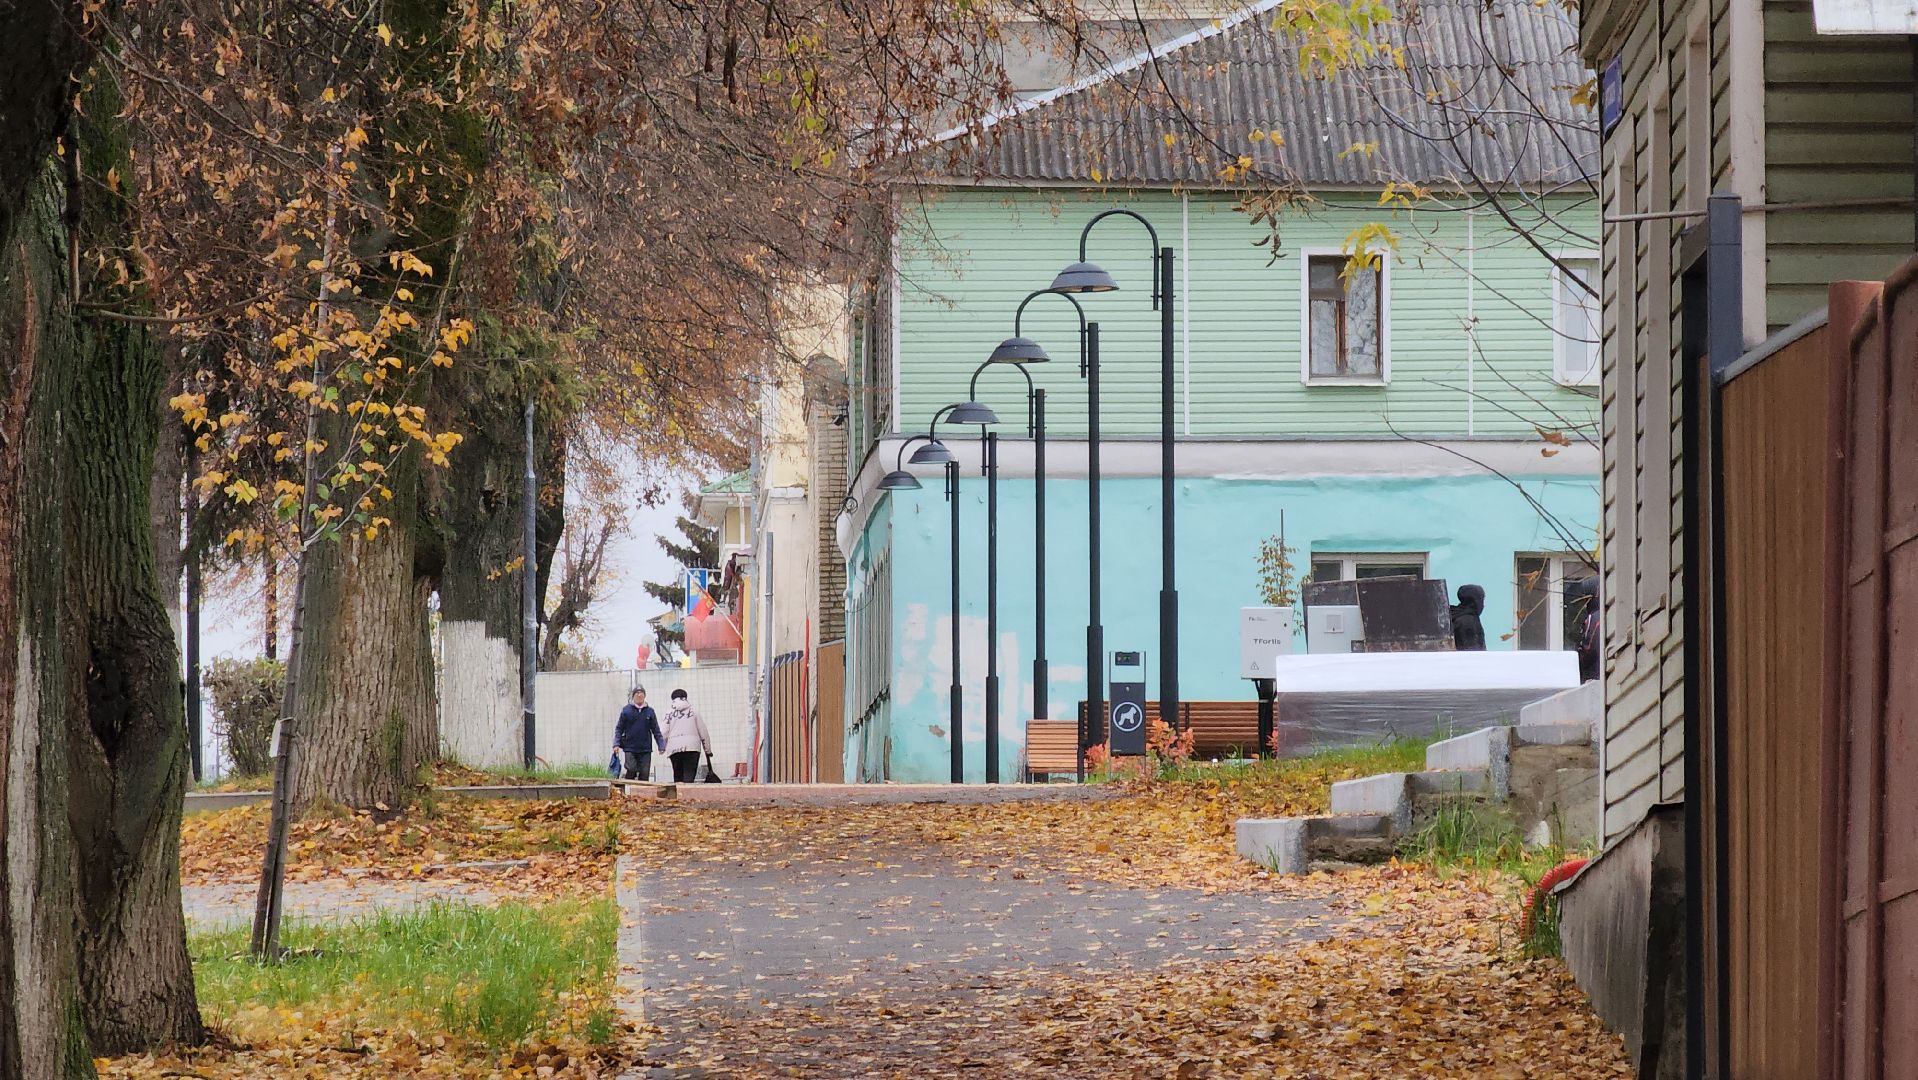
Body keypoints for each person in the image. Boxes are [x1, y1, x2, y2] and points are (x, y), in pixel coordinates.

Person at [661, 687, 713, 783]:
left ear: (673, 699)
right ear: (685, 697)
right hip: (692, 748)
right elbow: (703, 732)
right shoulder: (694, 712)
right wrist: (708, 750)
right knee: (689, 775)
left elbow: (664, 732)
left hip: (674, 749)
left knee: (678, 775)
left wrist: (662, 747)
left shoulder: (669, 713)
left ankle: (679, 795)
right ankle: (688, 795)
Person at [614, 686, 664, 781]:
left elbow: (656, 730)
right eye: (637, 693)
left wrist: (661, 745)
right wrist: (616, 743)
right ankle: (627, 785)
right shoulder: (626, 711)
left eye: (641, 693)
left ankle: (642, 794)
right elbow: (619, 729)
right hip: (630, 747)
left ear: (644, 696)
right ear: (633, 696)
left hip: (645, 749)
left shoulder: (650, 712)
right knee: (631, 768)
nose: (639, 695)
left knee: (644, 774)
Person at [1450, 584, 1487, 651]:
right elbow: (1473, 654)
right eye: (1482, 599)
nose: (1483, 605)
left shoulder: (1457, 615)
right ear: (1475, 600)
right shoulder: (1468, 621)